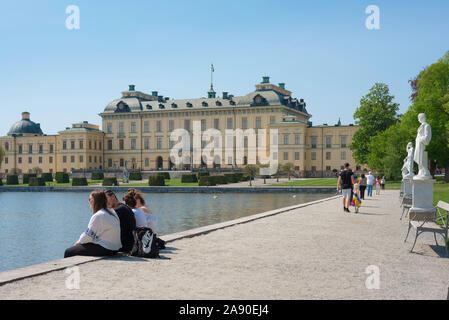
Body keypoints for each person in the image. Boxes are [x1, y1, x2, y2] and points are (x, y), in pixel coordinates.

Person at [64, 190, 121, 258]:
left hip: (106, 249)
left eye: (89, 199)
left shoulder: (99, 215)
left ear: (94, 201)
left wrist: (77, 243)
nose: (89, 201)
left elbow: (87, 237)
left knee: (68, 251)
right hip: (115, 248)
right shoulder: (111, 211)